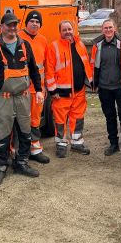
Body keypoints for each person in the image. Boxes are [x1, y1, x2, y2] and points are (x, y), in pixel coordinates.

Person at [0, 13, 44, 186]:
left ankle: (22, 163)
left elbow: (34, 70)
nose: (12, 28)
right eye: (9, 25)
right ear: (2, 26)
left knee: (25, 131)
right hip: (3, 98)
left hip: (23, 97)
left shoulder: (25, 45)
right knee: (2, 134)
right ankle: (0, 167)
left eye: (14, 25)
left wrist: (39, 90)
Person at [45, 20, 93, 158]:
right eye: (64, 30)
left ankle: (77, 143)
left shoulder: (80, 45)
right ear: (60, 32)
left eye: (69, 29)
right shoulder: (54, 46)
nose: (67, 32)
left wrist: (89, 82)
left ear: (73, 30)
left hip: (79, 91)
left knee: (78, 118)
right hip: (61, 93)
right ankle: (61, 144)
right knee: (60, 121)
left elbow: (86, 65)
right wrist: (53, 90)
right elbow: (49, 70)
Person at [90, 19, 121, 159]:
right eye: (106, 28)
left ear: (115, 28)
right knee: (110, 117)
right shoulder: (97, 45)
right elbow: (93, 64)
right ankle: (113, 144)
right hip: (104, 88)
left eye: (110, 27)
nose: (108, 30)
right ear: (102, 30)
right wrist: (94, 82)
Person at [18, 10, 51, 164]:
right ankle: (20, 152)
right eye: (32, 21)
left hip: (38, 90)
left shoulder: (43, 40)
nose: (34, 24)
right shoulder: (17, 37)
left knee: (35, 120)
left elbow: (46, 65)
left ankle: (35, 150)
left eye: (37, 22)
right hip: (22, 89)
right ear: (26, 23)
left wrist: (46, 87)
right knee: (21, 121)